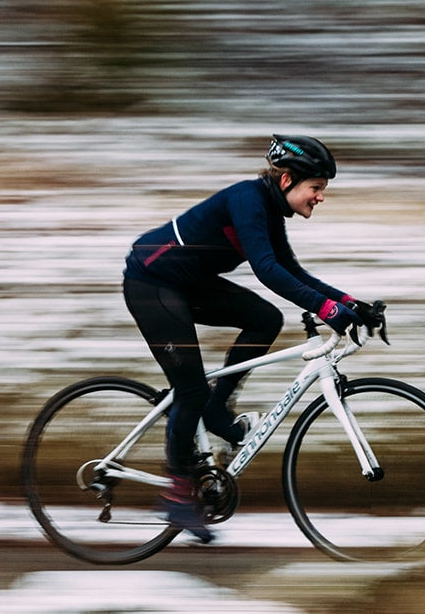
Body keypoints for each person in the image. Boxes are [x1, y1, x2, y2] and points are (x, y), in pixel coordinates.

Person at [123, 134, 372, 543]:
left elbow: (292, 271)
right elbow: (267, 271)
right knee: (189, 390)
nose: (320, 197)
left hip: (187, 285)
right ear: (288, 180)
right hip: (152, 283)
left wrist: (349, 302)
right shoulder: (248, 200)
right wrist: (328, 311)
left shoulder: (271, 211)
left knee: (265, 319)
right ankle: (176, 494)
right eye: (317, 188)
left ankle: (217, 410)